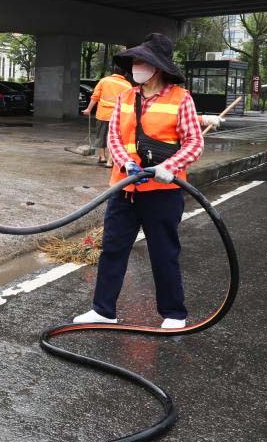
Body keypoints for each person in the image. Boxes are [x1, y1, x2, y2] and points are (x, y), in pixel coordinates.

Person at [72, 33, 220, 330]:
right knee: (112, 249)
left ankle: (174, 313)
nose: (137, 66)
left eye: (143, 61)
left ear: (159, 67)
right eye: (135, 61)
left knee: (163, 252)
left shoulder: (181, 99)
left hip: (162, 191)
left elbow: (194, 143)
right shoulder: (126, 96)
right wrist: (123, 161)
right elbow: (114, 136)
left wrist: (170, 166)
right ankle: (103, 309)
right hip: (124, 189)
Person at [81, 68, 132, 168]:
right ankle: (110, 161)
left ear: (113, 72)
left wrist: (88, 109)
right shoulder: (127, 85)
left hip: (103, 114)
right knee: (115, 138)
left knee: (101, 135)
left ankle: (102, 157)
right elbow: (129, 102)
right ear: (125, 73)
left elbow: (95, 97)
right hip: (118, 115)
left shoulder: (104, 81)